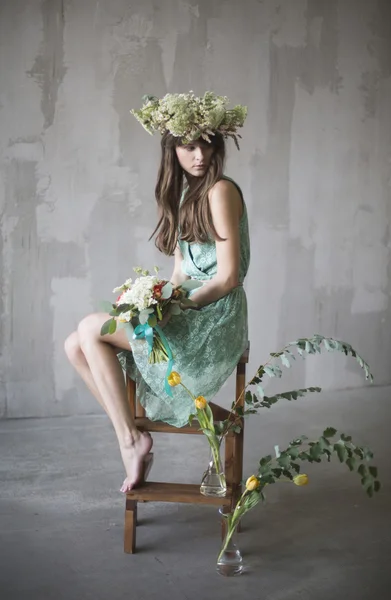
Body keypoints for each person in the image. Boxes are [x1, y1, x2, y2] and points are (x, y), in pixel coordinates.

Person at [65, 92, 250, 492]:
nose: (199, 154)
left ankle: (131, 440)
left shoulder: (220, 190)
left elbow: (229, 276)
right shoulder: (188, 195)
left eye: (206, 143)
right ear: (174, 151)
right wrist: (149, 299)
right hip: (191, 311)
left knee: (89, 328)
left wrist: (175, 308)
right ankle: (131, 432)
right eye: (188, 146)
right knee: (73, 345)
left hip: (215, 320)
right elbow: (182, 272)